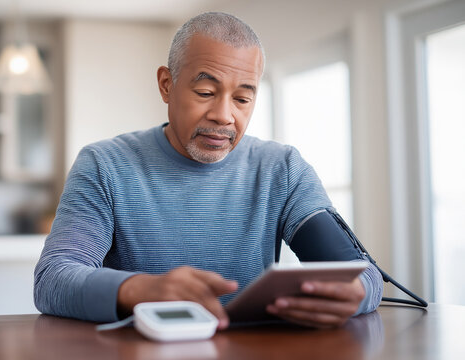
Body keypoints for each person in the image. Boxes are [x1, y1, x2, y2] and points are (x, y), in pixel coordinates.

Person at [33, 12, 383, 330]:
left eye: (243, 99)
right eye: (205, 92)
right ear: (166, 85)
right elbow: (53, 280)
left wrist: (354, 295)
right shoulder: (104, 164)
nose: (225, 115)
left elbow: (364, 275)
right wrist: (140, 288)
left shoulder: (283, 169)